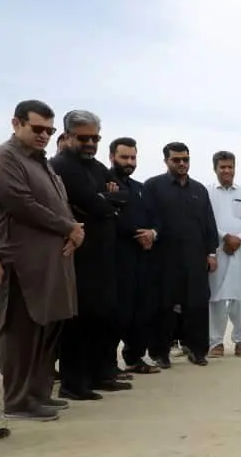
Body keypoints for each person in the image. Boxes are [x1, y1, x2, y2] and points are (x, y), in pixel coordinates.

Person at [0, 100, 83, 421]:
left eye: (49, 131)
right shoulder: (6, 158)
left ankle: (38, 393)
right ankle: (19, 400)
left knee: (47, 329)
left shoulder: (42, 162)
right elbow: (21, 203)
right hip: (22, 260)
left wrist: (75, 231)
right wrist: (69, 227)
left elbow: (59, 203)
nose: (44, 136)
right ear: (16, 123)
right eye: (37, 129)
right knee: (21, 331)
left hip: (51, 261)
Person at [51, 110, 129, 400]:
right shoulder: (61, 165)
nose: (91, 143)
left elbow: (122, 196)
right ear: (68, 136)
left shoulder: (96, 167)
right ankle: (73, 383)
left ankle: (99, 374)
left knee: (103, 317)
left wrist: (106, 198)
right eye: (84, 138)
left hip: (104, 256)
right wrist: (105, 199)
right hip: (79, 258)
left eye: (95, 138)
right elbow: (91, 203)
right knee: (79, 321)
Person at [144, 142, 219, 368]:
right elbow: (148, 220)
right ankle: (160, 353)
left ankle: (197, 351)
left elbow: (208, 224)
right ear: (166, 161)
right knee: (163, 307)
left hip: (195, 258)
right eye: (176, 160)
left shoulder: (199, 190)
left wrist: (211, 252)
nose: (182, 164)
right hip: (163, 259)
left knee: (197, 305)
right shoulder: (153, 186)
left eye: (185, 159)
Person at [108, 137, 161, 375]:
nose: (129, 162)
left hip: (143, 258)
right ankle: (107, 363)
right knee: (116, 313)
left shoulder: (141, 189)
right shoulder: (104, 182)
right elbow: (107, 217)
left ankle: (135, 357)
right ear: (112, 157)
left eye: (133, 157)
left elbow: (157, 216)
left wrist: (152, 233)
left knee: (141, 311)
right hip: (116, 259)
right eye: (124, 157)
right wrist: (135, 233)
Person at [207, 151, 241, 358]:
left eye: (230, 167)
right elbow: (207, 220)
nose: (227, 171)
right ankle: (215, 343)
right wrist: (225, 237)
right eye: (222, 167)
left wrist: (239, 239)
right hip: (217, 250)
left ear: (235, 168)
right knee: (216, 298)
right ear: (215, 169)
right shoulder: (207, 193)